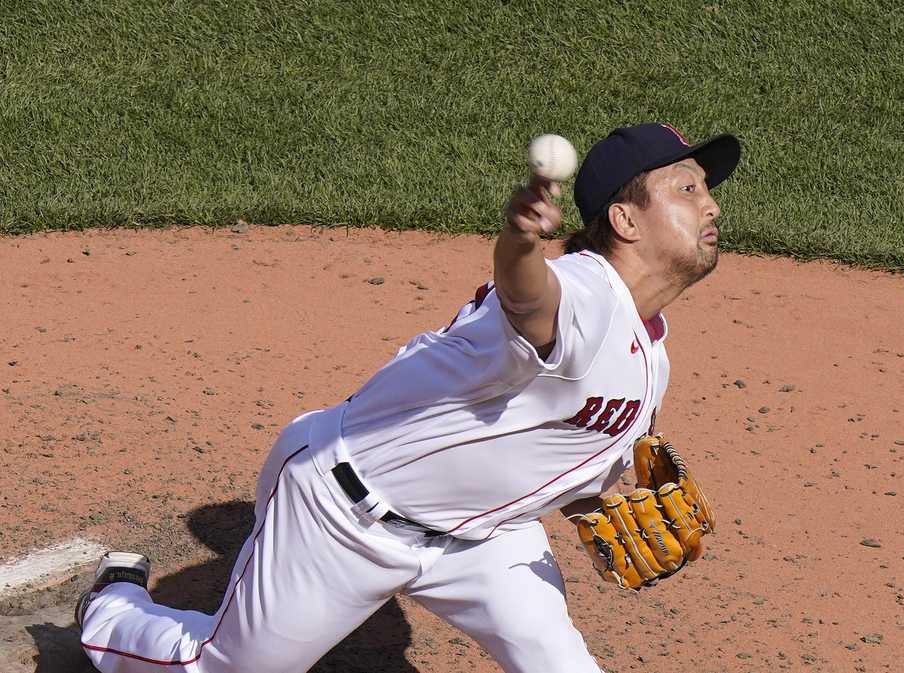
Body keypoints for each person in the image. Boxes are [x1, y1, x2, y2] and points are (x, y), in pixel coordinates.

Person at [75, 122, 741, 673]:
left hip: (482, 538)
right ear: (624, 219)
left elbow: (546, 441)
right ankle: (112, 605)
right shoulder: (587, 298)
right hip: (343, 513)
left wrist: (597, 498)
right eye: (686, 188)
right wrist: (518, 240)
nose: (710, 204)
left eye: (707, 189)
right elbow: (527, 294)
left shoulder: (651, 350)